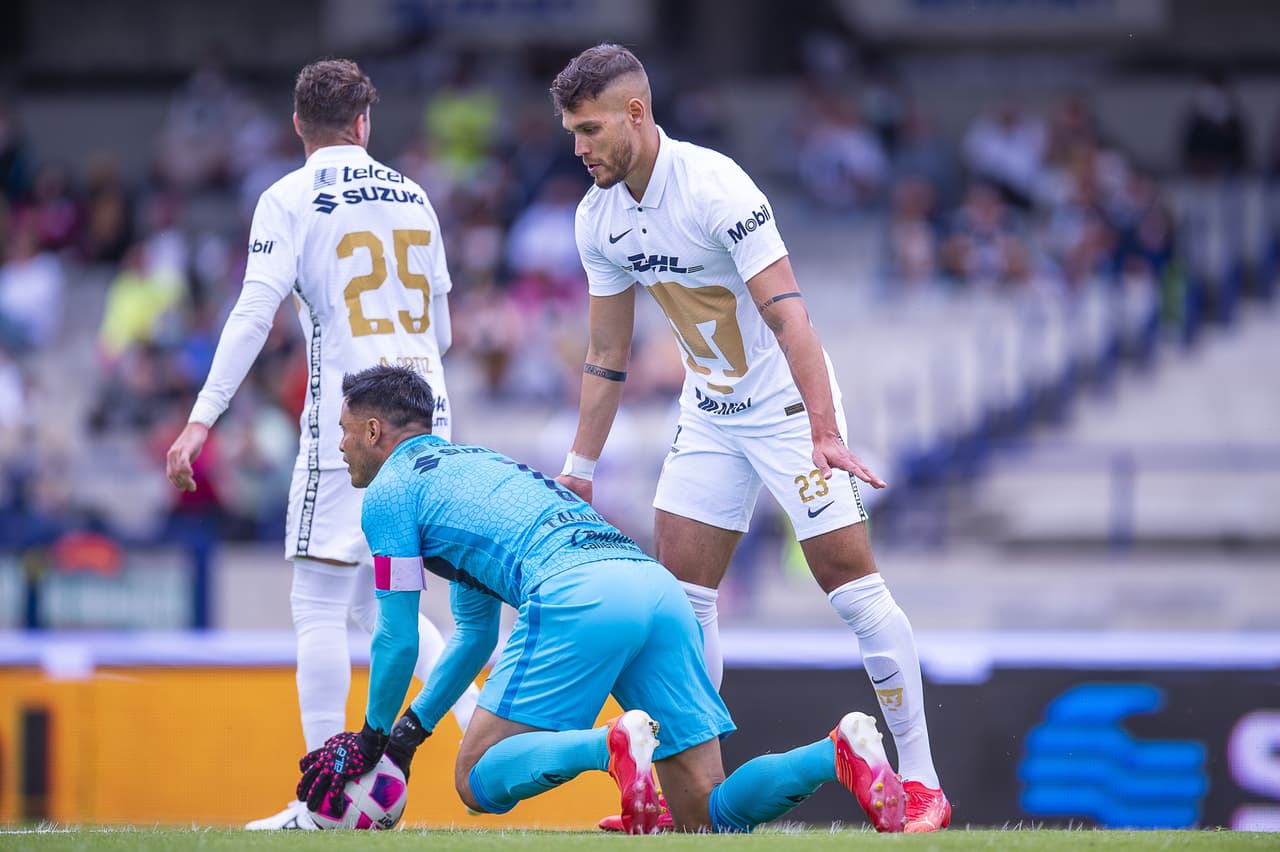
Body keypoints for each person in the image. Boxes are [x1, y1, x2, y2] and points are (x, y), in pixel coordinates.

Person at [548, 44, 950, 832]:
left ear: (636, 113)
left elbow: (790, 314)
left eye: (589, 130)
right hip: (709, 411)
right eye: (572, 133)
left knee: (849, 583)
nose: (579, 149)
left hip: (787, 407)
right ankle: (694, 799)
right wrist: (579, 468)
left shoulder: (716, 186)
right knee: (682, 601)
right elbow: (606, 353)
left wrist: (824, 430)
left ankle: (924, 781)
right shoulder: (596, 217)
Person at [297, 363, 908, 834]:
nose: (341, 447)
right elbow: (475, 636)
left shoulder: (390, 493)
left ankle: (609, 744)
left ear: (373, 431)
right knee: (705, 816)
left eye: (344, 432)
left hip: (577, 593)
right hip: (652, 586)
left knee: (476, 778)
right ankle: (837, 753)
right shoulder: (475, 466)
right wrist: (406, 737)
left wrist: (371, 738)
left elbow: (398, 636)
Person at [164, 59, 479, 830]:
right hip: (429, 419)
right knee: (384, 603)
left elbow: (253, 312)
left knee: (318, 599)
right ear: (364, 122)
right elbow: (442, 331)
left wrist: (203, 416)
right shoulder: (414, 195)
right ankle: (483, 735)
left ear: (298, 125)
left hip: (355, 426)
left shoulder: (289, 197)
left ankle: (325, 804)